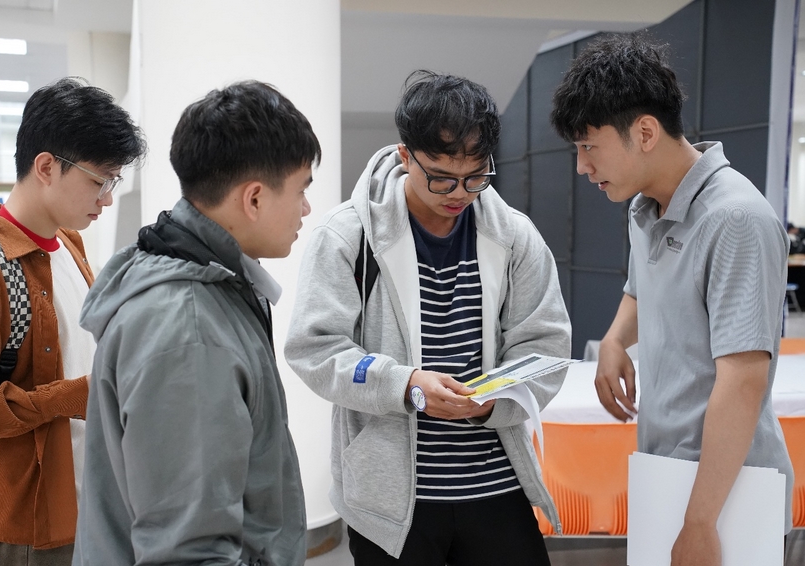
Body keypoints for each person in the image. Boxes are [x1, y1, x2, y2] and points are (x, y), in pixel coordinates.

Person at [285, 71, 570, 565]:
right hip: (391, 498)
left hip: (494, 483)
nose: (457, 192)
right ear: (404, 155)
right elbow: (315, 348)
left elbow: (545, 346)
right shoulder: (348, 236)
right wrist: (406, 384)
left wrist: (488, 403)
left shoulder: (516, 238)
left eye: (476, 176)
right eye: (439, 176)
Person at [550, 33, 794, 565]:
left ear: (643, 132)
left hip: (729, 491)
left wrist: (702, 521)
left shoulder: (735, 220)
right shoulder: (647, 207)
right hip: (667, 473)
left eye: (589, 147)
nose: (582, 167)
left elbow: (744, 376)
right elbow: (642, 288)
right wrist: (614, 339)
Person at [71, 81, 320, 566]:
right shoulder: (188, 329)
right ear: (253, 198)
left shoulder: (212, 285)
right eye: (301, 190)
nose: (306, 209)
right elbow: (186, 551)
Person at [0, 77, 145, 566]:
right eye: (99, 181)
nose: (106, 199)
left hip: (89, 501)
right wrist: (66, 398)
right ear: (46, 167)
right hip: (22, 525)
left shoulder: (70, 242)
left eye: (113, 183)